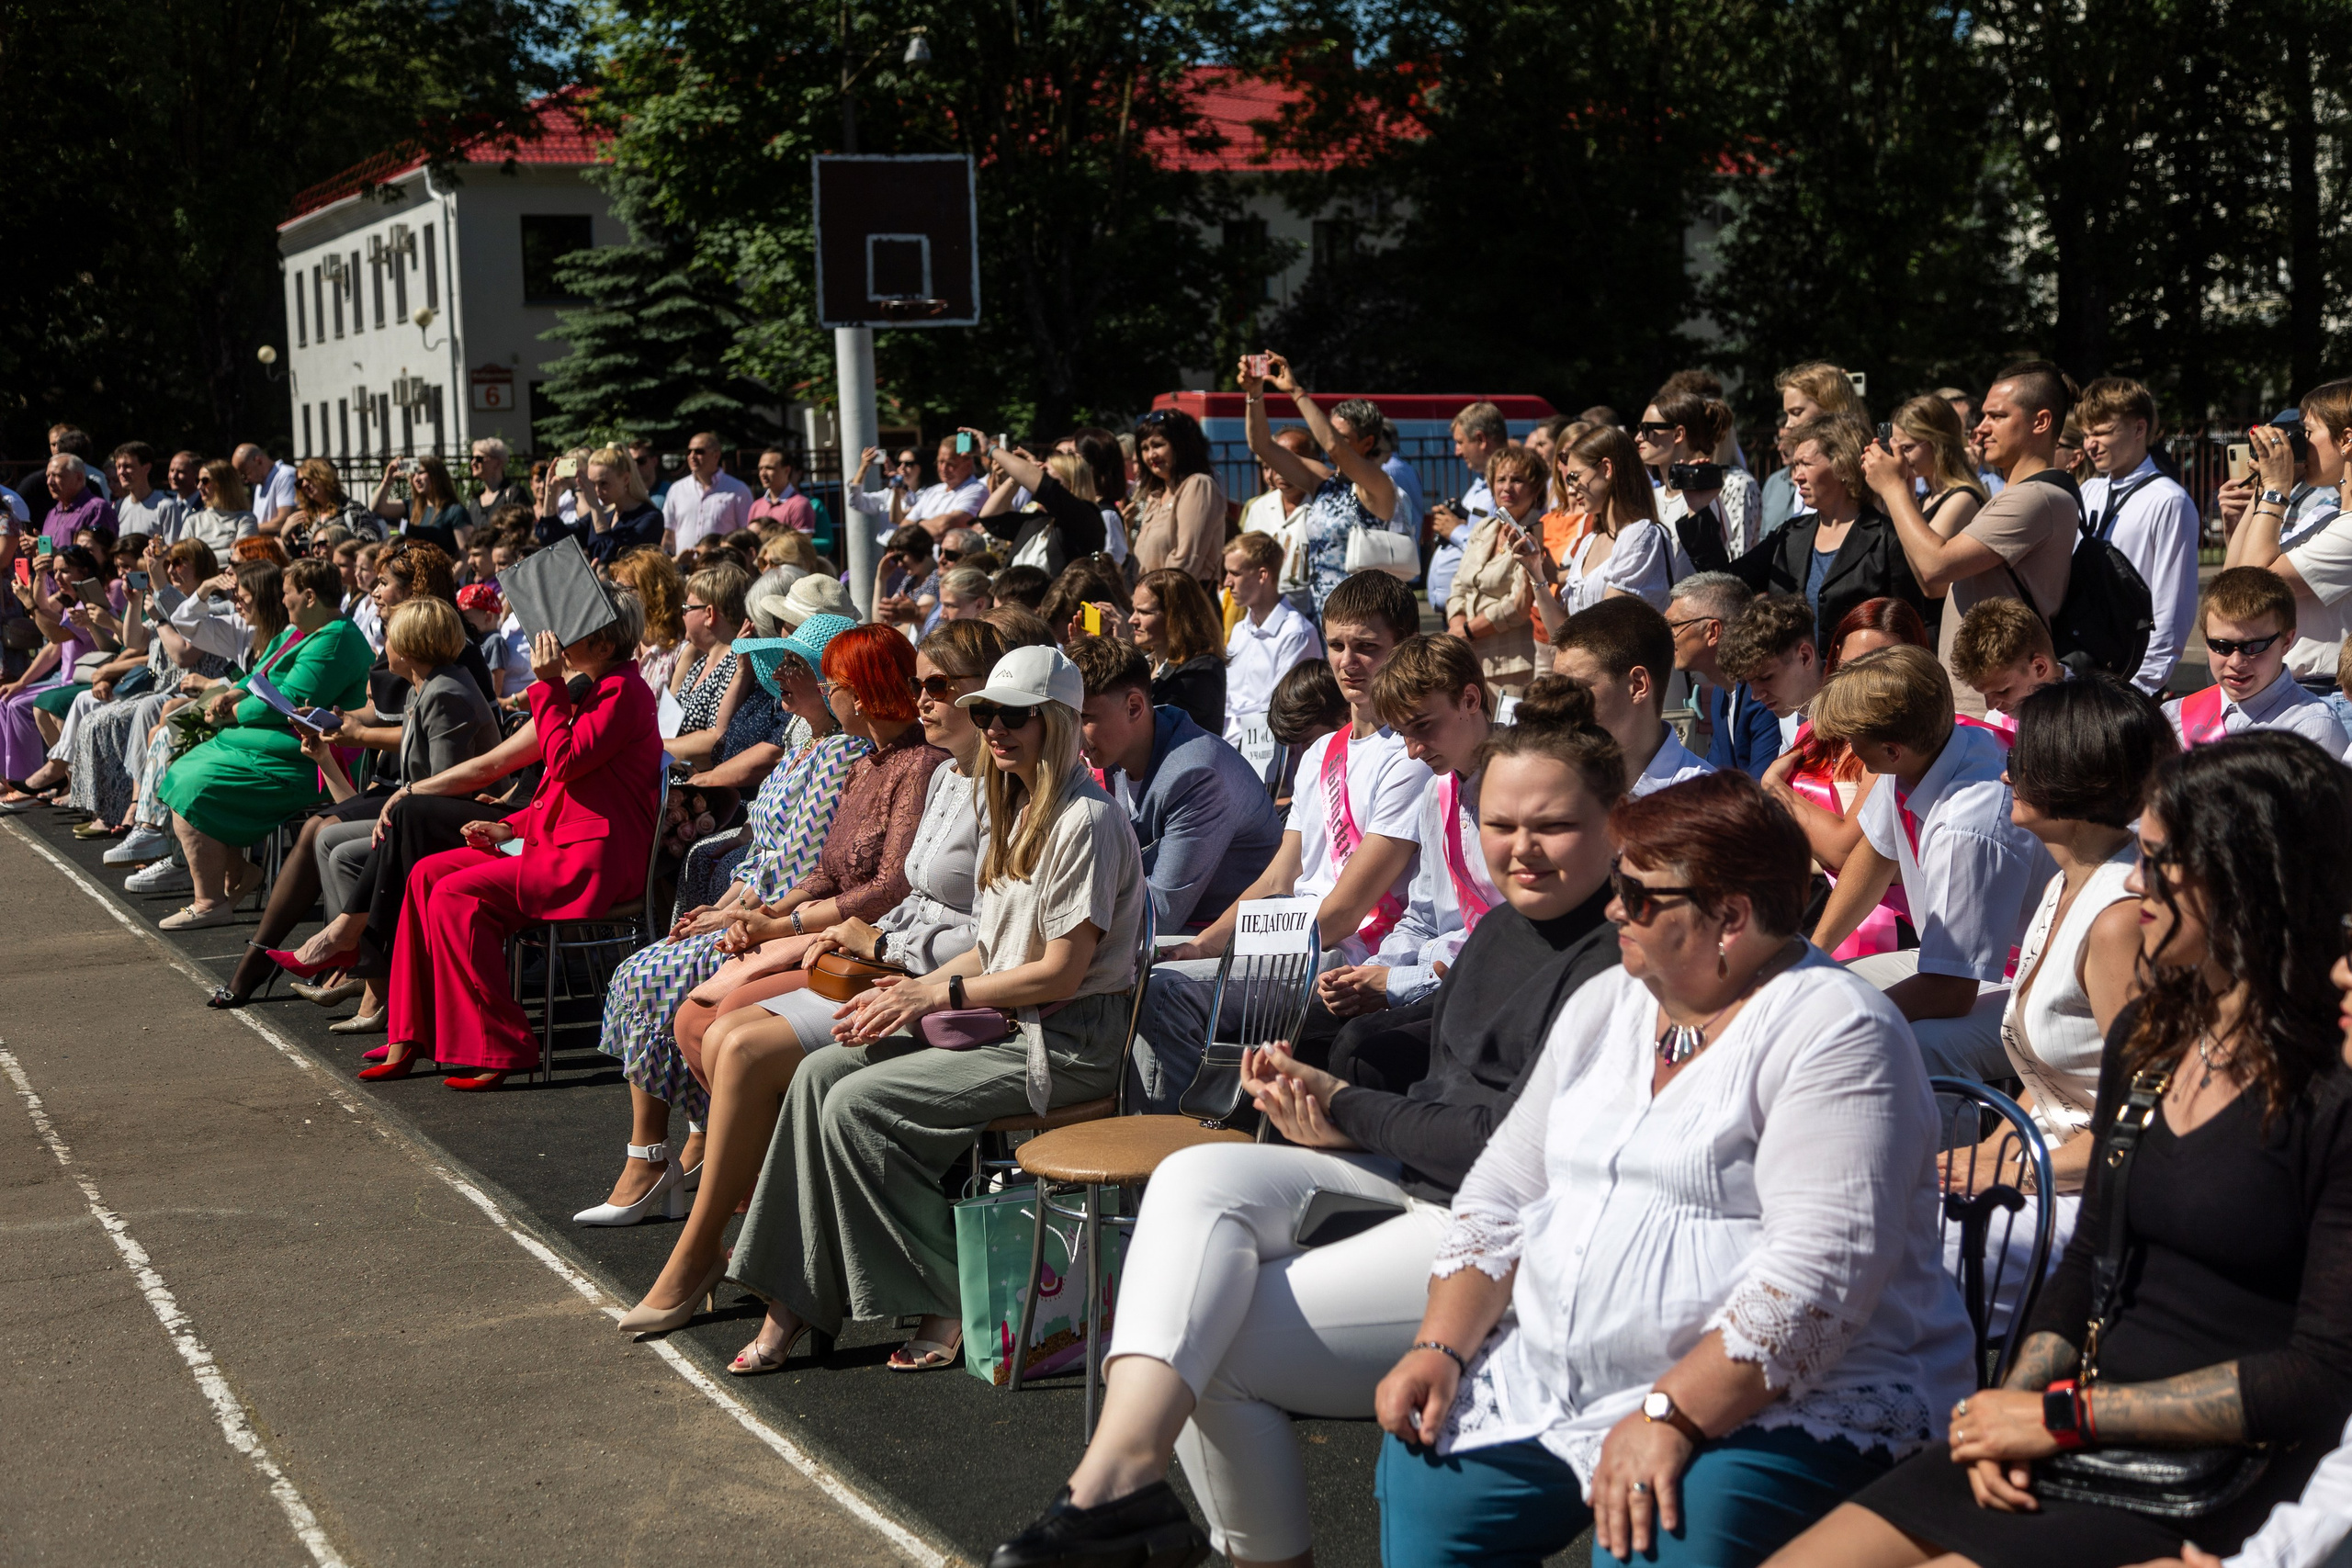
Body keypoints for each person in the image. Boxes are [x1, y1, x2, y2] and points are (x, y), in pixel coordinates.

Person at [985, 683, 1629, 1568]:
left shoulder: (1624, 959)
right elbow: (1433, 1048)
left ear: (1615, 821)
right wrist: (1315, 1081)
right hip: (1410, 1176)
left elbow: (1499, 1145)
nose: (1520, 848)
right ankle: (1111, 1484)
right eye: (1499, 822)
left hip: (1502, 1237)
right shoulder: (1506, 929)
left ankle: (1189, 1528)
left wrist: (1344, 1103)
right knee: (1195, 1176)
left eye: (1550, 826)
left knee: (1215, 1346)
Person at [1777, 731, 2352, 1568]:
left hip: (2204, 1468)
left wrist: (2058, 1418)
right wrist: (2013, 1403)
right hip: (2069, 1418)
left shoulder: (2334, 1089)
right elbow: (2089, 1258)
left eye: (2160, 861)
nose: (2135, 882)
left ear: (2245, 881)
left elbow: (2319, 1375)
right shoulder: (2156, 1039)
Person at [1374, 770, 1974, 1568]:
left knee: (1661, 1524)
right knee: (1423, 1460)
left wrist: (1670, 1414)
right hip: (1560, 1381)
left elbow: (1816, 1279)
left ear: (1730, 915)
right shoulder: (1609, 1002)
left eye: (1639, 892)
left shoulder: (1837, 1030)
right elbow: (1503, 1191)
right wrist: (1440, 1346)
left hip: (1782, 1398)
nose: (1616, 906)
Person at [714, 643, 1147, 1375]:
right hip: (1010, 1022)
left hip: (1067, 1043)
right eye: (989, 714)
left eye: (1016, 716)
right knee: (820, 1075)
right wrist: (912, 986)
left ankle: (950, 1295)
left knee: (855, 1105)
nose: (998, 728)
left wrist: (934, 991)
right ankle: (789, 1299)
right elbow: (993, 949)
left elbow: (1060, 974)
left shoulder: (1086, 820)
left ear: (1057, 723)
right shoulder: (1016, 806)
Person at [613, 621, 1005, 1334]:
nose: (922, 701)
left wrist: (794, 928)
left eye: (937, 686)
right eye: (917, 684)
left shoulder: (929, 770)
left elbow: (908, 898)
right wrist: (774, 915)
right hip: (876, 953)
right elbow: (844, 873)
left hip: (909, 973)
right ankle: (743, 1224)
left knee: (726, 1033)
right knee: (700, 1017)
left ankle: (713, 1240)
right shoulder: (928, 771)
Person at [577, 617, 924, 1223]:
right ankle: (673, 1151)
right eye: (782, 669)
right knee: (649, 976)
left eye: (799, 670)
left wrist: (760, 919)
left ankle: (681, 1154)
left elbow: (843, 877)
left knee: (661, 983)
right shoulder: (817, 747)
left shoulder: (857, 755)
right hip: (787, 914)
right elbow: (780, 854)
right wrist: (732, 908)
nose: (781, 682)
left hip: (832, 936)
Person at [1130, 572, 1429, 1108]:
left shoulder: (1411, 758)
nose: (1347, 661)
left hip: (1347, 956)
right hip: (1293, 940)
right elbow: (1275, 878)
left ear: (1403, 649)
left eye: (1367, 647)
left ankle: (1167, 1151)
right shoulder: (1318, 755)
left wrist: (1235, 948)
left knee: (1165, 991)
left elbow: (1343, 913)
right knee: (1139, 970)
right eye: (1336, 645)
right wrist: (1201, 946)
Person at [366, 592, 662, 1089]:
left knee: (456, 894)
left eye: (573, 630)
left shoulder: (624, 691)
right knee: (425, 874)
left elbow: (565, 761)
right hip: (566, 849)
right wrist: (511, 827)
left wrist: (548, 686)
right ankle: (413, 1033)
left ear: (605, 640)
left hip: (595, 864)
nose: (559, 640)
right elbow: (567, 789)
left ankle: (500, 1046)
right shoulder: (599, 687)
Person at [1950, 676, 2173, 1283]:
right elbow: (2049, 1082)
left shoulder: (2118, 920)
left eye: (2021, 762)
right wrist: (1989, 1152)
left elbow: (2142, 1120)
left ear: (2071, 775)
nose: (2004, 775)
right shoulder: (2065, 881)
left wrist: (2011, 1170)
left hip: (2093, 1196)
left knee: (1891, 1251)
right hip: (2048, 1163)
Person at [220, 594, 502, 1010]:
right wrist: (326, 758)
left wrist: (400, 798)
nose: (383, 644)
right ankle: (362, 968)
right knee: (328, 843)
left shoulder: (446, 693)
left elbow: (447, 787)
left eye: (389, 636)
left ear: (406, 647)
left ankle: (370, 973)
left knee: (343, 852)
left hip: (453, 821)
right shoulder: (422, 689)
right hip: (421, 812)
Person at [1810, 645, 2054, 1079]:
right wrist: (1815, 953)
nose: (1848, 747)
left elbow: (1953, 993)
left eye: (1853, 739)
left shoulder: (1969, 826)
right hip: (1967, 967)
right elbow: (1876, 852)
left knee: (1919, 1047)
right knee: (1824, 992)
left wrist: (1856, 1023)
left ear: (1892, 750)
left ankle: (1941, 1150)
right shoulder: (1926, 752)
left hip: (2034, 982)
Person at [150, 558, 375, 928]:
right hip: (263, 744)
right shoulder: (297, 631)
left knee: (195, 784)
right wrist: (230, 695)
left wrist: (233, 713)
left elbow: (291, 698)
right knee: (185, 770)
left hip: (305, 758)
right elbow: (258, 674)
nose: (283, 602)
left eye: (286, 594)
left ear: (309, 596)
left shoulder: (336, 639)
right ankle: (237, 874)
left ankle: (210, 901)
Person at [1314, 636, 1509, 1041]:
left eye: (1422, 727)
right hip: (1443, 978)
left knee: (1360, 1050)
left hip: (1501, 989)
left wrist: (1396, 982)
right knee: (1313, 1037)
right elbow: (1422, 917)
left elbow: (1514, 932)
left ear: (1470, 700)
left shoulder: (1525, 787)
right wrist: (1366, 975)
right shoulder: (1436, 794)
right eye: (1402, 733)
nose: (1414, 751)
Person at [1868, 362, 2081, 716]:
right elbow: (1932, 586)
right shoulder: (2017, 495)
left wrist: (1891, 489)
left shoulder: (2036, 497)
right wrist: (1903, 491)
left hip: (1998, 704)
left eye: (1996, 416)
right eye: (1983, 416)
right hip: (1978, 698)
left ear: (2040, 422)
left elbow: (1935, 566)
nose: (1980, 430)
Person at [1069, 634, 1280, 936]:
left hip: (1227, 942)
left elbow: (1161, 914)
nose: (1074, 733)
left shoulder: (1196, 775)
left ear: (1134, 707)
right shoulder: (1114, 750)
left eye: (1085, 717)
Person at [1730, 414, 1932, 648]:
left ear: (1843, 466)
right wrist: (1699, 513)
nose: (1797, 477)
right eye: (1795, 465)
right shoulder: (1788, 536)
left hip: (1862, 680)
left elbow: (1908, 632)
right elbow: (1730, 583)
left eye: (1805, 464)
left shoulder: (1887, 539)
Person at [2220, 381, 2352, 704]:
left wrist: (2277, 490)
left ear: (2347, 440)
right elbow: (2233, 579)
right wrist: (2264, 490)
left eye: (2306, 432)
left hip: (2326, 696)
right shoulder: (2324, 515)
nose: (2299, 444)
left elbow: (2254, 589)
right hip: (2292, 692)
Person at [1239, 357, 1402, 615]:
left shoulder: (1378, 485)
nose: (1331, 439)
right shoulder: (1324, 482)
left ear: (1368, 442)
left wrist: (1295, 391)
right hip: (1322, 616)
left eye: (1341, 434)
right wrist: (1255, 394)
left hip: (1365, 617)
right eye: (1329, 430)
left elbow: (1333, 447)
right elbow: (1262, 446)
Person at [2067, 379, 2200, 694]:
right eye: (2086, 434)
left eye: (2101, 432)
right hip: (2081, 664)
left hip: (2130, 677)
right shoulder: (2090, 490)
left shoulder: (2169, 500)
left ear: (2139, 429)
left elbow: (2172, 609)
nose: (2090, 444)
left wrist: (2142, 687)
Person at [2164, 568, 2351, 758]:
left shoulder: (2313, 729)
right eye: (2221, 646)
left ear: (2286, 641)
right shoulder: (2173, 717)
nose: (2236, 662)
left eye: (2254, 647)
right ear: (2205, 638)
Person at [1551, 597, 1714, 796]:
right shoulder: (1553, 783)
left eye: (1577, 690)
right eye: (1558, 689)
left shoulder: (1705, 801)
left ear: (1637, 686)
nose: (1560, 705)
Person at [1522, 423, 1686, 620]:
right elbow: (1561, 631)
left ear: (1607, 469)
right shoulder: (1588, 542)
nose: (1572, 489)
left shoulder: (1641, 534)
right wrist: (1536, 573)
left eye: (1575, 477)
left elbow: (1606, 629)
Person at [1445, 445, 1544, 695]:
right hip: (1469, 661)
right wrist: (1457, 627)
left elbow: (1519, 605)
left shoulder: (1536, 533)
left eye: (1517, 480)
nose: (1507, 487)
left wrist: (1467, 631)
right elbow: (1459, 585)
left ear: (1536, 489)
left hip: (1512, 666)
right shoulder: (1484, 528)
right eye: (1501, 479)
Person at [1669, 572, 1780, 778]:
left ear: (1712, 632)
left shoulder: (1763, 696)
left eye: (1674, 626)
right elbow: (1716, 778)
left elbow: (1763, 791)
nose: (1669, 638)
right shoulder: (1722, 693)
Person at [1221, 530, 1322, 750]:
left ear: (1262, 575)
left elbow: (1277, 708)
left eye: (1234, 573)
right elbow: (1226, 696)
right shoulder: (1239, 630)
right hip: (1229, 745)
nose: (1227, 582)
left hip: (1269, 752)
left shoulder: (1297, 633)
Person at [1634, 389, 1738, 558]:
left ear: (1678, 434)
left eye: (1647, 429)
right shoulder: (1650, 497)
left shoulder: (1701, 501)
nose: (1638, 437)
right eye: (1639, 429)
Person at [1759, 361, 1863, 530]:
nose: (1789, 425)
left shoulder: (1868, 476)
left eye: (1797, 413)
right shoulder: (1778, 483)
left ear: (1830, 409)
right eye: (1787, 414)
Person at [1427, 401, 1507, 616]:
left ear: (1481, 439)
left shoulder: (1505, 488)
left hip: (1477, 615)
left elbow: (1500, 548)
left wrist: (1454, 530)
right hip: (1459, 613)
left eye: (1460, 442)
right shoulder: (1480, 483)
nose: (1456, 451)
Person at [1128, 568, 1227, 735]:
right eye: (1134, 610)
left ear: (1175, 617)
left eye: (1144, 612)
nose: (1132, 620)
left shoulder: (1201, 672)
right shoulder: (1146, 662)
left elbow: (1145, 729)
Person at [1884, 394, 1990, 543]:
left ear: (1937, 443)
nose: (1900, 455)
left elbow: (1925, 559)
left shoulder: (1962, 498)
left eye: (1907, 447)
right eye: (1895, 448)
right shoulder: (1926, 498)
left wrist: (1891, 488)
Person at [847, 437, 987, 546]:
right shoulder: (933, 492)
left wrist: (916, 523)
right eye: (940, 462)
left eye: (950, 464)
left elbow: (942, 527)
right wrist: (864, 467)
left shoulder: (976, 490)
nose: (943, 468)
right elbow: (902, 527)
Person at [537, 446, 665, 566]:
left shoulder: (650, 517)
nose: (597, 491)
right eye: (592, 484)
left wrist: (594, 506)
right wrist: (551, 491)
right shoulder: (605, 513)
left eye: (604, 484)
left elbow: (610, 557)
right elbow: (554, 539)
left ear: (626, 479)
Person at [1950, 598, 2065, 724]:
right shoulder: (1995, 719)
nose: (1991, 705)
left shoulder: (2085, 715)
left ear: (2039, 667)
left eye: (2003, 691)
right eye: (1985, 694)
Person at [662, 433, 752, 554]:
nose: (692, 456)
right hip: (686, 568)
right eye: (689, 452)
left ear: (716, 455)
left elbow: (745, 534)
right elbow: (669, 533)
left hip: (721, 566)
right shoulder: (677, 489)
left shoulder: (737, 490)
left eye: (699, 451)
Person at [373, 457, 468, 555]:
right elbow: (378, 507)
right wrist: (387, 480)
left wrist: (452, 571)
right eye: (413, 475)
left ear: (437, 475)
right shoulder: (411, 506)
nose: (416, 478)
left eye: (421, 473)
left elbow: (466, 555)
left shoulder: (454, 511)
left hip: (442, 568)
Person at [110, 442, 184, 543]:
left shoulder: (166, 507)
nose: (121, 472)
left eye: (127, 466)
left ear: (146, 468)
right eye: (118, 467)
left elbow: (172, 550)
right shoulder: (118, 507)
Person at [747, 447, 818, 536]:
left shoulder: (799, 505)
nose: (763, 474)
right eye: (760, 468)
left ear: (787, 470)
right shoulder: (756, 506)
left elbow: (801, 546)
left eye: (769, 468)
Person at [232, 444, 299, 531]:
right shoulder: (260, 483)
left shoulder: (285, 475)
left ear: (258, 460)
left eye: (245, 474)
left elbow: (283, 521)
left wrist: (248, 529)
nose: (246, 481)